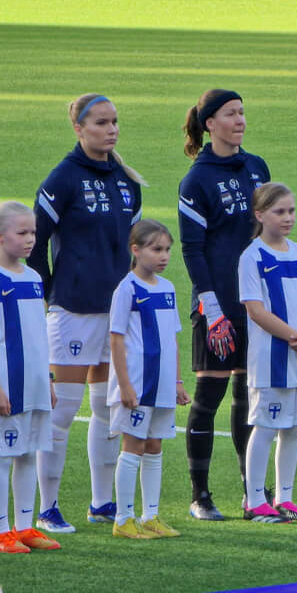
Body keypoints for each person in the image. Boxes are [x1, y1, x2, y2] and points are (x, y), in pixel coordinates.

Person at [31, 94, 144, 529]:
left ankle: (101, 503)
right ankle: (46, 507)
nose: (111, 129)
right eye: (101, 122)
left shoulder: (125, 180)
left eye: (115, 121)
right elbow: (36, 239)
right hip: (74, 308)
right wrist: (46, 292)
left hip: (115, 313)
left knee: (105, 409)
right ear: (79, 128)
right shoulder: (63, 178)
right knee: (62, 412)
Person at [177, 88, 270, 520]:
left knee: (249, 395)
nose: (240, 121)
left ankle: (254, 492)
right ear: (209, 122)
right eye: (231, 114)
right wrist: (212, 310)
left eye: (243, 113)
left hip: (254, 301)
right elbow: (192, 250)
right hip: (216, 305)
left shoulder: (256, 167)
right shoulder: (196, 179)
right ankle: (201, 495)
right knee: (209, 394)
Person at [0, 201, 60, 554]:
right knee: (3, 454)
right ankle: (0, 531)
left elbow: (39, 334)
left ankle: (24, 527)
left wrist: (48, 378)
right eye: (22, 233)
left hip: (35, 383)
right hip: (6, 384)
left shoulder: (35, 278)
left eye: (33, 232)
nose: (30, 239)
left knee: (28, 453)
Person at [238, 183, 297, 523]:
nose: (288, 218)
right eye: (280, 212)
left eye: (291, 211)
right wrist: (295, 336)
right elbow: (255, 310)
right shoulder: (252, 257)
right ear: (260, 215)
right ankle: (255, 500)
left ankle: (284, 497)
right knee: (266, 426)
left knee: (294, 427)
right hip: (272, 358)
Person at [107, 220, 189, 539]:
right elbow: (115, 339)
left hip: (163, 384)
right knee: (134, 445)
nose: (164, 256)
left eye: (167, 249)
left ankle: (151, 514)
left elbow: (173, 339)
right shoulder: (126, 290)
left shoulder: (167, 288)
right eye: (156, 249)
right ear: (136, 250)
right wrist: (125, 384)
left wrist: (179, 382)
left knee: (154, 446)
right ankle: (124, 518)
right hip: (138, 384)